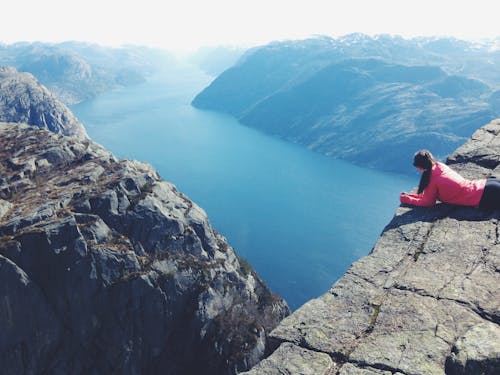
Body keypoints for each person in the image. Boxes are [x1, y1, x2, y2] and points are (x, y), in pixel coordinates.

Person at [400, 149, 500, 209]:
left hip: (484, 196)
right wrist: (414, 196)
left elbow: (428, 203)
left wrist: (408, 200)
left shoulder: (431, 179)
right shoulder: (439, 166)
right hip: (486, 184)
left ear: (419, 167)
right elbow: (429, 196)